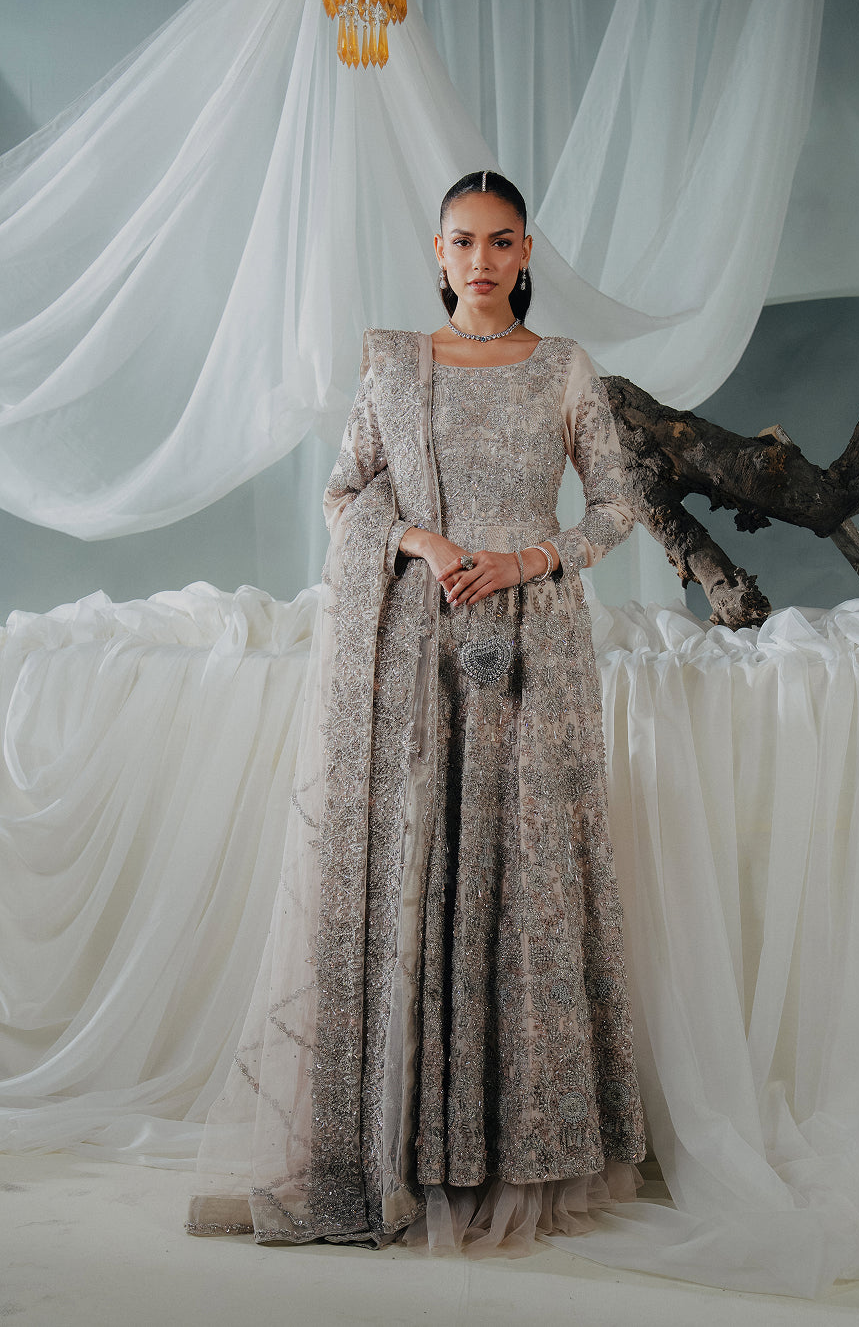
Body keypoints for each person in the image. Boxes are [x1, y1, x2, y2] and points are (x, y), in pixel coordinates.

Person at [187, 170, 645, 1256]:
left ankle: (515, 1149)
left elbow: (619, 504)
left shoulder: (565, 369)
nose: (481, 260)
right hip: (415, 645)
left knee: (526, 872)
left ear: (525, 254)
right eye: (462, 241)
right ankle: (406, 1146)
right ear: (437, 253)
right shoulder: (394, 364)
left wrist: (531, 557)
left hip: (533, 649)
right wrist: (427, 542)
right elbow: (346, 493)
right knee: (416, 865)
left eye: (501, 241)